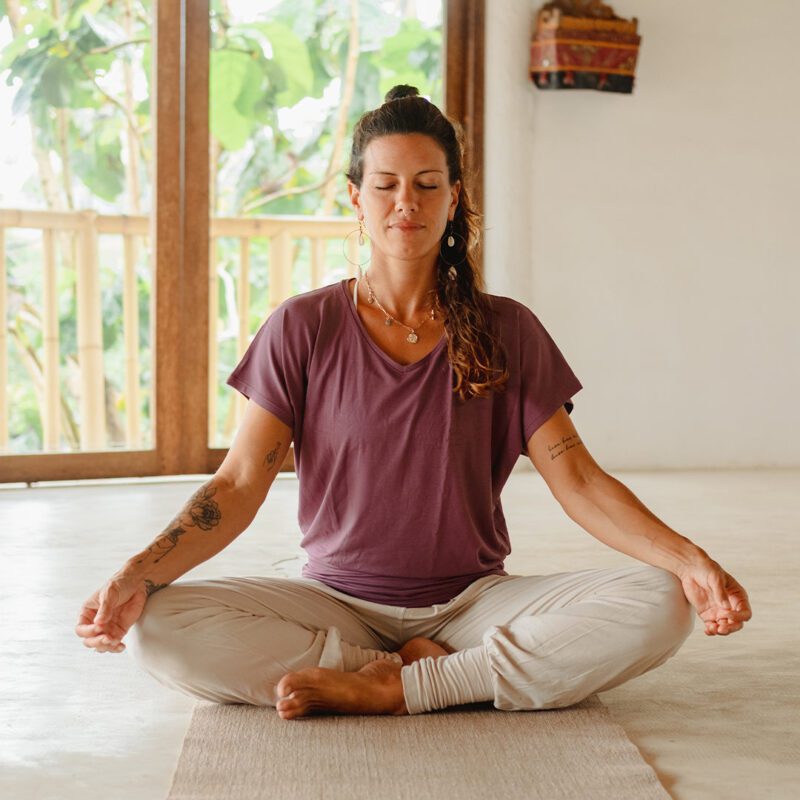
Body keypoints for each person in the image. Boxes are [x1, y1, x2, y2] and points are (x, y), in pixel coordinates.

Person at [75, 85, 752, 719]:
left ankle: (395, 685)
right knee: (159, 627)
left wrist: (691, 560)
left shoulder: (506, 328)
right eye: (387, 186)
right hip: (334, 603)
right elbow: (240, 481)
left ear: (454, 198)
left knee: (661, 601)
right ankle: (425, 675)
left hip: (472, 601)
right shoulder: (303, 326)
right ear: (355, 199)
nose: (408, 203)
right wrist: (136, 573)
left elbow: (577, 483)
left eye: (428, 186)